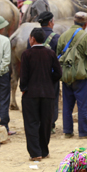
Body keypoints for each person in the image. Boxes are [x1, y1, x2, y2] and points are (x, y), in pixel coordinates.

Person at [56, 12, 87, 139]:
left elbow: (58, 54)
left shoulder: (63, 35)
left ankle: (67, 131)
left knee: (67, 104)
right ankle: (84, 132)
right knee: (84, 105)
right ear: (85, 24)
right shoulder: (86, 36)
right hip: (81, 76)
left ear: (74, 22)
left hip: (66, 75)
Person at [21, 28, 62, 161]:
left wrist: (24, 88)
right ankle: (44, 150)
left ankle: (35, 153)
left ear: (32, 38)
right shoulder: (50, 53)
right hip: (48, 94)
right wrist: (50, 81)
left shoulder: (26, 54)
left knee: (31, 123)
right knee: (46, 123)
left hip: (30, 94)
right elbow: (58, 73)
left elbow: (24, 75)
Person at [36, 11, 61, 132]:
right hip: (51, 75)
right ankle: (50, 123)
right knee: (52, 99)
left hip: (35, 75)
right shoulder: (56, 38)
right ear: (51, 22)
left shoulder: (33, 36)